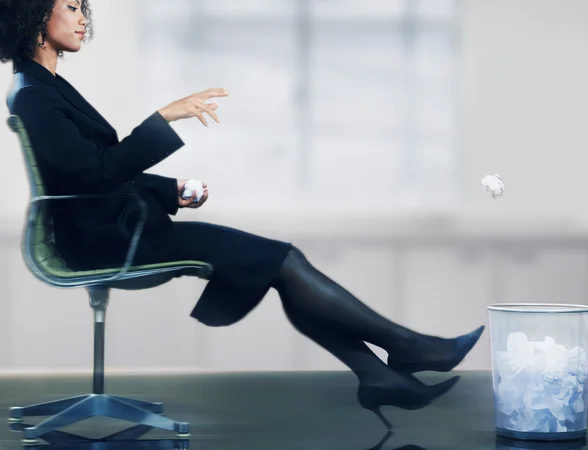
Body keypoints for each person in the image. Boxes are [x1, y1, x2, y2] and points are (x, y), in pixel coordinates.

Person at [1, 0, 485, 429]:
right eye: (71, 7)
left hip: (111, 228)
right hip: (105, 241)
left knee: (277, 264)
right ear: (35, 14)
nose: (85, 19)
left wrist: (172, 191)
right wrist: (164, 118)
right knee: (282, 261)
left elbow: (89, 174)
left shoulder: (45, 86)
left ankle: (381, 373)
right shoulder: (33, 94)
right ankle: (409, 352)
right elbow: (94, 174)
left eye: (85, 8)